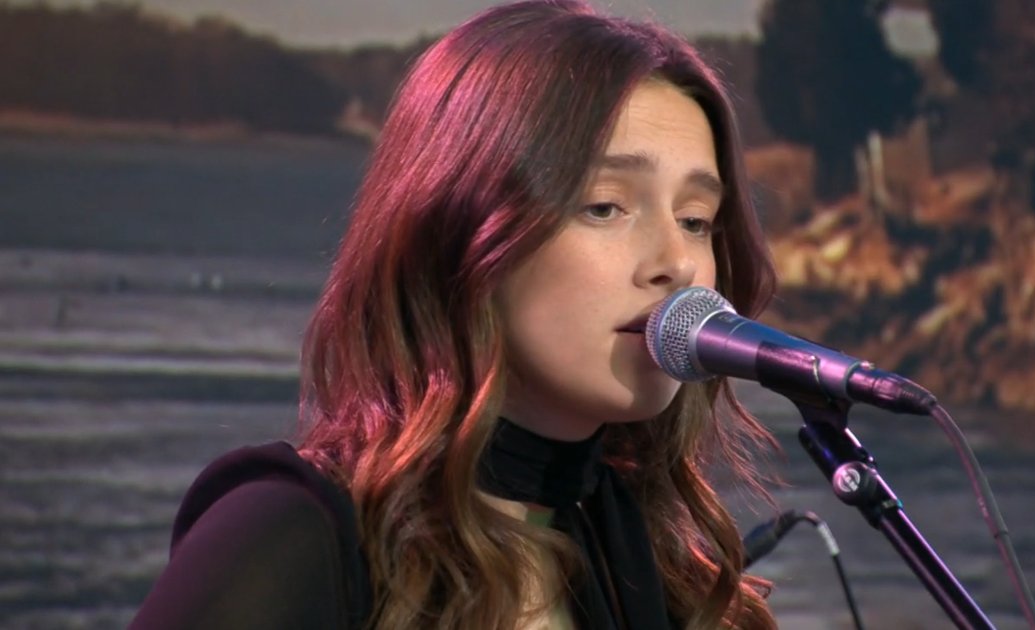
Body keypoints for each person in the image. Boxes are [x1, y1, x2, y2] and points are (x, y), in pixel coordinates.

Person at [131, 1, 780, 628]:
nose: (678, 262)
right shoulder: (297, 537)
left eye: (696, 220)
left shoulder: (655, 568)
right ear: (462, 230)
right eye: (605, 206)